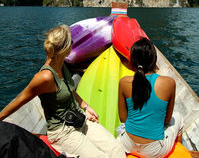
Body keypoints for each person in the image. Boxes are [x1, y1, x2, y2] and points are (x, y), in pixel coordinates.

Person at [0, 24, 126, 158]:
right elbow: (19, 100)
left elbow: (70, 90)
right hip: (63, 132)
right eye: (71, 42)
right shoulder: (45, 77)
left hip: (80, 120)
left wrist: (85, 106)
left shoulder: (63, 65)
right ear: (66, 48)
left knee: (117, 150)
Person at [117, 37, 183, 158]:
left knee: (121, 128)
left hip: (127, 144)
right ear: (154, 60)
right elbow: (167, 120)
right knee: (178, 117)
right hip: (155, 151)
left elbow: (123, 119)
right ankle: (178, 152)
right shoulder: (169, 83)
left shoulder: (123, 82)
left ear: (132, 61)